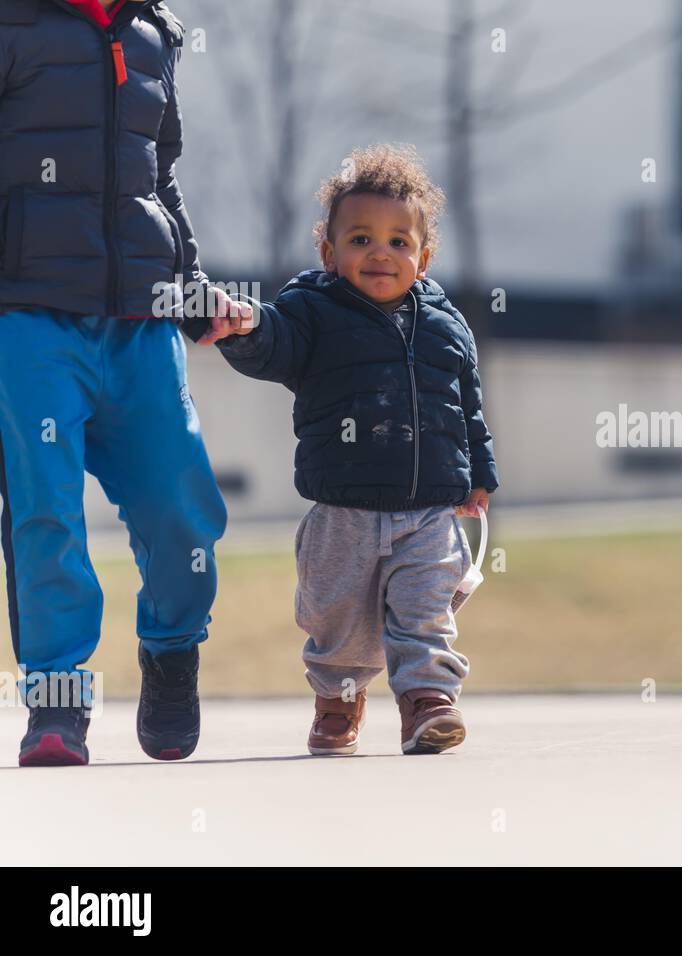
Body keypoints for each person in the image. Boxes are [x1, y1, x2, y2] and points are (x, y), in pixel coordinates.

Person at [0, 0, 252, 766]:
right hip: (29, 313)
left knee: (183, 510)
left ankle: (171, 652)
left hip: (142, 316)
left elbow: (156, 179)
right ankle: (57, 702)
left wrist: (192, 282)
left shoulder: (155, 33)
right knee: (44, 511)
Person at [210, 144, 499, 755]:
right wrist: (246, 327)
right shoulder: (312, 312)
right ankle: (339, 700)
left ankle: (428, 702)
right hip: (341, 510)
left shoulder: (448, 326)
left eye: (399, 242)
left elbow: (467, 405)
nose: (380, 252)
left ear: (423, 258)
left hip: (429, 509)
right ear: (330, 253)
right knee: (338, 623)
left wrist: (479, 474)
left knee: (424, 614)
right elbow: (275, 342)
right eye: (361, 238)